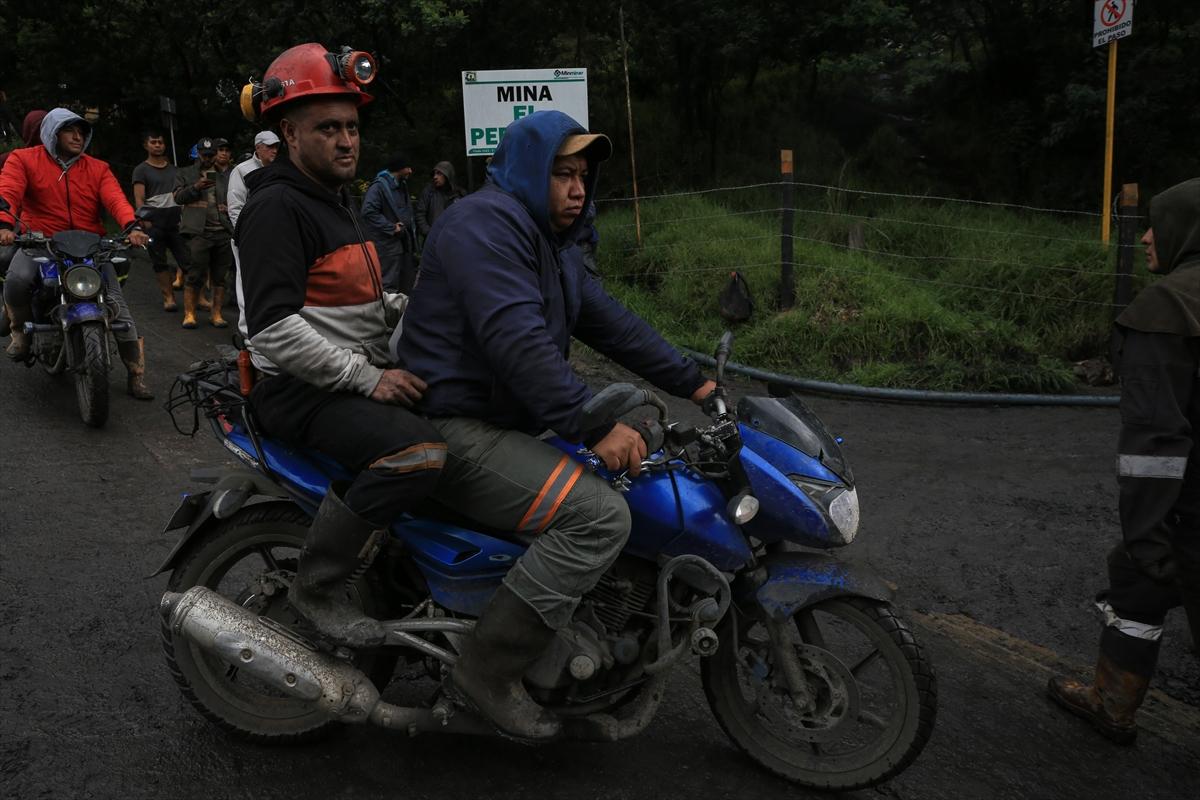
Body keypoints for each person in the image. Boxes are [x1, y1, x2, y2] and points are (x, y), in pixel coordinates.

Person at [396, 110, 716, 740]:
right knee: (599, 517)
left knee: (641, 459)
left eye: (583, 175)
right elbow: (517, 344)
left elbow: (612, 323)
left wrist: (696, 382)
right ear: (527, 169)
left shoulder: (552, 244)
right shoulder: (483, 226)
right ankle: (485, 671)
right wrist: (588, 423)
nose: (576, 188)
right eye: (561, 173)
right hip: (453, 427)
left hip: (504, 420)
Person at [237, 43, 445, 648]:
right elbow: (273, 328)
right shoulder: (277, 206)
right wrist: (368, 378)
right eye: (327, 128)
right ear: (289, 134)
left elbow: (357, 300)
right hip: (299, 390)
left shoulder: (334, 201)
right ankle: (318, 586)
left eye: (352, 126)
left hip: (342, 375)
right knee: (418, 453)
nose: (346, 140)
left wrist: (418, 313)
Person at [1048, 177, 1200, 744]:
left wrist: (1147, 534)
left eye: (1158, 224)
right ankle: (1111, 702)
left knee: (1143, 565)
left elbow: (1155, 445)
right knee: (1137, 581)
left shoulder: (1168, 308)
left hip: (1191, 514)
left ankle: (1112, 705)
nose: (1145, 238)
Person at [0, 108, 153, 399]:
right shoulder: (24, 159)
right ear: (52, 133)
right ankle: (19, 332)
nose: (77, 136)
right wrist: (5, 224)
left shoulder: (97, 168)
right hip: (40, 242)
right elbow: (9, 191)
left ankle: (136, 373)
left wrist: (132, 226)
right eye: (70, 130)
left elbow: (115, 199)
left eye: (81, 131)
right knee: (17, 279)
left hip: (89, 246)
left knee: (118, 305)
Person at [173, 137, 233, 328]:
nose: (208, 158)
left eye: (211, 154)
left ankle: (216, 314)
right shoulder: (186, 173)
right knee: (194, 274)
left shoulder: (225, 175)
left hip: (222, 231)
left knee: (220, 277)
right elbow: (177, 197)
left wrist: (228, 208)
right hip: (198, 232)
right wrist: (195, 187)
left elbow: (235, 198)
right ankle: (189, 314)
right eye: (204, 154)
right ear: (198, 153)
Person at [227, 130, 280, 339]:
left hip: (275, 235)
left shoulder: (279, 169)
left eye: (276, 146)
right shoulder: (242, 171)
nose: (274, 150)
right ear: (258, 147)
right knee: (248, 281)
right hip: (248, 237)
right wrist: (246, 235)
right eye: (269, 146)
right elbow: (235, 207)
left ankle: (273, 326)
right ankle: (248, 331)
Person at [132, 128, 188, 312]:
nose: (157, 145)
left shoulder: (175, 170)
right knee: (160, 262)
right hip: (154, 222)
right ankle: (168, 297)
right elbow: (139, 198)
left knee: (187, 260)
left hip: (176, 221)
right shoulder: (141, 170)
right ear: (146, 145)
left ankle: (197, 298)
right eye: (153, 142)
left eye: (160, 142)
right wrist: (143, 220)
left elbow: (182, 195)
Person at [360, 154, 416, 292]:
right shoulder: (379, 187)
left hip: (402, 244)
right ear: (399, 168)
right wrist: (391, 227)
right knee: (388, 286)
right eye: (408, 167)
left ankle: (400, 313)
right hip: (387, 246)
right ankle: (387, 314)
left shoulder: (401, 185)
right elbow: (368, 212)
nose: (410, 171)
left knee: (405, 285)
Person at [413, 160, 465, 243]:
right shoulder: (429, 192)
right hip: (433, 241)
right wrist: (429, 233)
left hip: (454, 241)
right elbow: (420, 214)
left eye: (439, 173)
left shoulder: (460, 194)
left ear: (448, 175)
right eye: (434, 174)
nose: (435, 177)